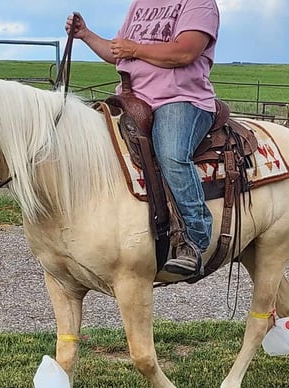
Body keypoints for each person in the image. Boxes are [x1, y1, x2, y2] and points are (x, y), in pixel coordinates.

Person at [66, 1, 220, 277]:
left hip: (180, 99)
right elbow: (118, 53)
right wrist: (86, 34)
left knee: (172, 153)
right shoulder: (141, 3)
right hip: (133, 99)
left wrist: (134, 49)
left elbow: (184, 52)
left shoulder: (199, 4)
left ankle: (194, 240)